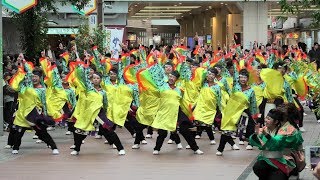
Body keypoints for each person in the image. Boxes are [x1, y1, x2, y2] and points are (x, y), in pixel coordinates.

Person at [8, 54, 59, 155]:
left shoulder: (42, 90)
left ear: (40, 78)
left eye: (36, 77)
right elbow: (24, 75)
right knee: (19, 131)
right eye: (33, 76)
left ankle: (53, 147)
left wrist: (46, 114)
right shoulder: (26, 87)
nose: (34, 78)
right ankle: (16, 147)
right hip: (22, 112)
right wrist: (22, 62)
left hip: (35, 114)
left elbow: (44, 103)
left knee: (42, 132)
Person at [250, 107, 303, 180]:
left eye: (268, 119)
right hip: (268, 160)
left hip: (284, 160)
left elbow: (277, 143)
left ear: (276, 121)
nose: (265, 120)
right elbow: (258, 142)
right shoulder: (266, 128)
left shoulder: (288, 129)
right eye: (266, 118)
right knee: (259, 166)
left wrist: (266, 136)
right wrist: (256, 135)